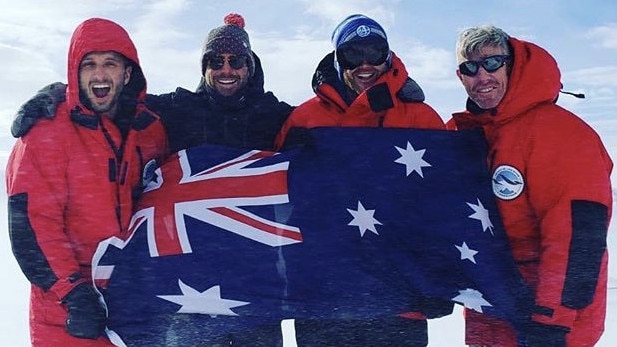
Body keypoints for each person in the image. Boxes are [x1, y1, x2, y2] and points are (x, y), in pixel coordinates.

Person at [275, 14, 452, 347]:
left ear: (388, 55)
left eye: (375, 51)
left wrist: (439, 277)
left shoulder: (420, 117)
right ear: (338, 60)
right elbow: (274, 198)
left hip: (400, 299)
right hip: (325, 297)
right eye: (353, 54)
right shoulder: (305, 118)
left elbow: (445, 205)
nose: (365, 64)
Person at [6, 18, 169, 346]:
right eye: (89, 64)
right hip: (67, 315)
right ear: (74, 73)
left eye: (110, 63)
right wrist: (74, 293)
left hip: (135, 306)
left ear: (127, 74)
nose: (99, 75)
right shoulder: (45, 133)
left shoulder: (150, 131)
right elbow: (32, 226)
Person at [447, 25, 613, 347]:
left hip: (551, 321)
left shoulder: (561, 133)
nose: (482, 77)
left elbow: (578, 236)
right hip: (490, 316)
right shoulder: (462, 136)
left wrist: (552, 319)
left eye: (493, 63)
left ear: (512, 64)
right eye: (470, 68)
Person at [12, 13, 293, 154]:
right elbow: (113, 98)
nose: (226, 70)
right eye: (216, 62)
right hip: (194, 254)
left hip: (259, 254)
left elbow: (323, 119)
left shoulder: (276, 115)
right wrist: (61, 93)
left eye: (236, 61)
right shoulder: (180, 109)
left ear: (250, 66)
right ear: (204, 68)